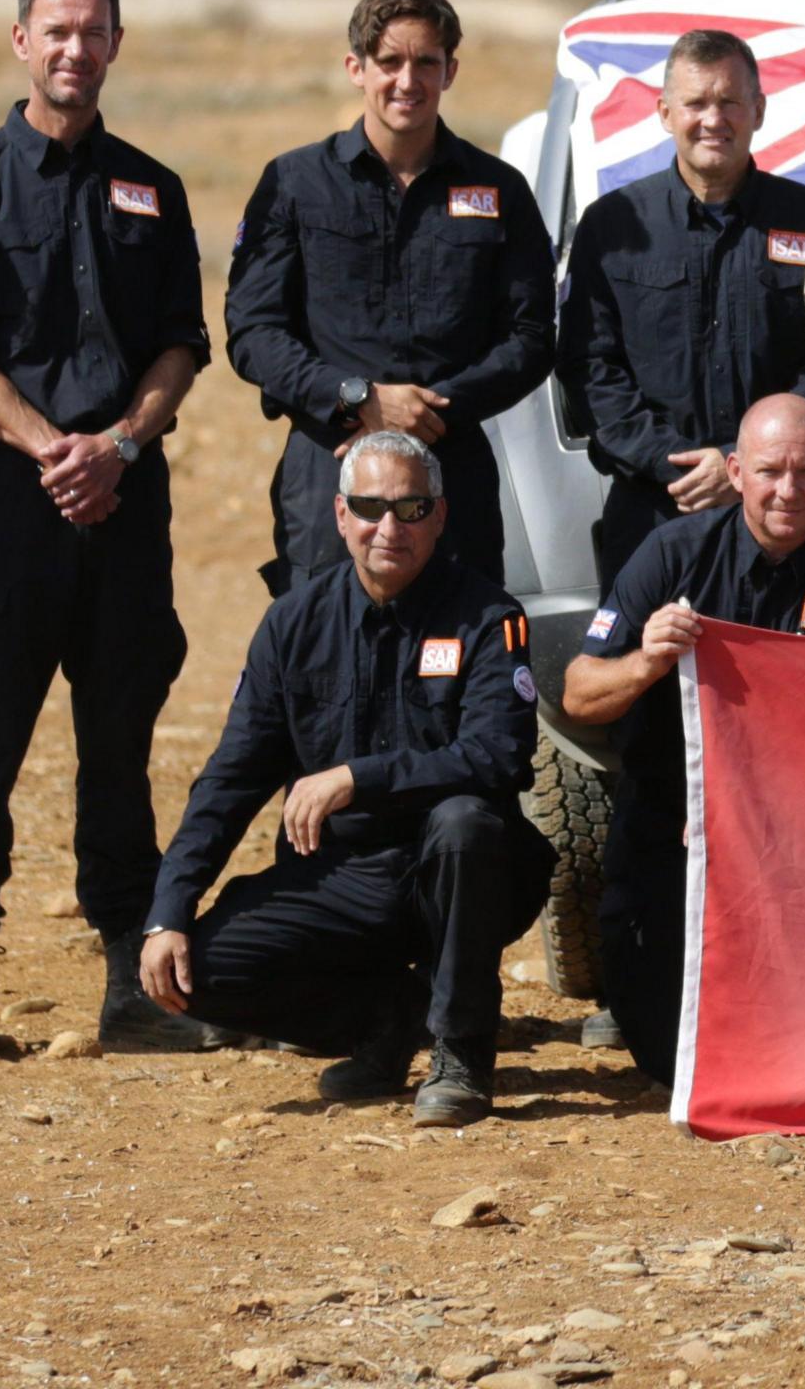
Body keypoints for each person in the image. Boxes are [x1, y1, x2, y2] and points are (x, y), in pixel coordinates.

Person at [0, 0, 217, 1056]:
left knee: (119, 746)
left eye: (93, 32)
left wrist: (122, 445)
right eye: (55, 30)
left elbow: (182, 341)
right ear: (19, 41)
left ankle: (130, 984)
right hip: (11, 504)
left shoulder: (153, 188)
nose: (73, 50)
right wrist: (50, 448)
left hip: (127, 507)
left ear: (116, 46)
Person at [134, 432, 548, 1126]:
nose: (390, 528)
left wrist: (361, 777)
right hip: (341, 876)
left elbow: (500, 755)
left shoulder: (487, 617)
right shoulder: (294, 623)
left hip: (456, 875)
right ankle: (388, 1021)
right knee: (192, 974)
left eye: (412, 509)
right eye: (371, 507)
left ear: (440, 517)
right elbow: (231, 778)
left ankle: (462, 1053)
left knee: (465, 822)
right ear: (339, 515)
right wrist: (169, 909)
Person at [558, 395, 805, 1084]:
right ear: (735, 472)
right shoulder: (672, 555)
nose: (789, 490)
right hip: (672, 821)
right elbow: (577, 693)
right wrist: (647, 660)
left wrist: (763, 809)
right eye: (770, 470)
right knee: (668, 1058)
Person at [226, 0, 553, 596]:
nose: (408, 81)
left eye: (426, 62)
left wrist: (430, 412)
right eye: (389, 62)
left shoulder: (499, 190)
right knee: (326, 666)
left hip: (451, 473)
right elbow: (253, 332)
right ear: (356, 67)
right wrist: (357, 398)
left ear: (450, 70)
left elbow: (532, 337)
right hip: (330, 471)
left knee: (457, 662)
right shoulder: (296, 184)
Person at [559, 29, 805, 586]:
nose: (714, 119)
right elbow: (590, 370)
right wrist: (679, 464)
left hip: (783, 511)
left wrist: (742, 463)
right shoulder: (613, 227)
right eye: (696, 103)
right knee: (644, 669)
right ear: (664, 112)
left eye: (730, 101)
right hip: (656, 510)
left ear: (757, 109)